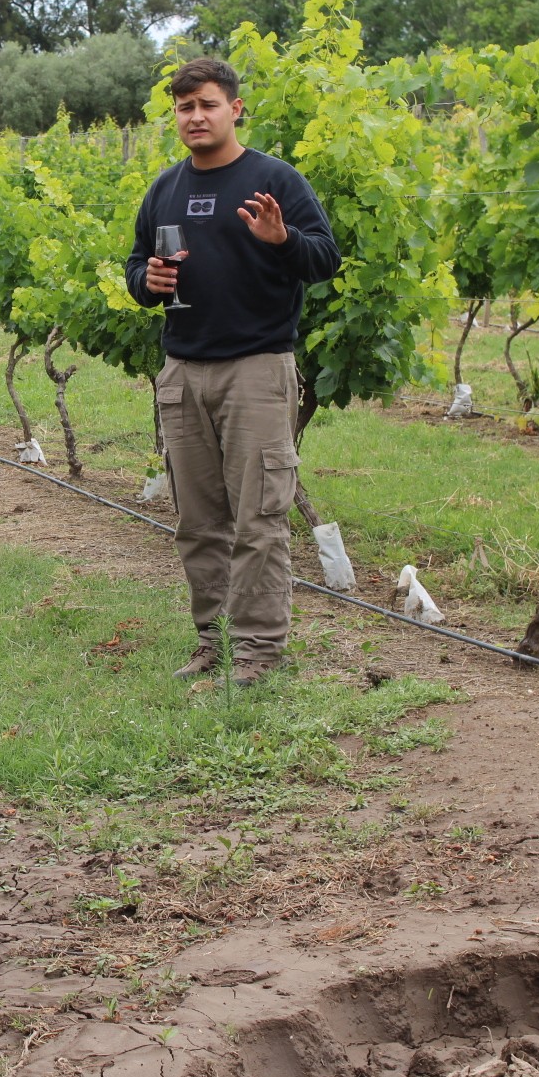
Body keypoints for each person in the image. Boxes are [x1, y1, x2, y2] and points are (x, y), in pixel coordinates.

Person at [124, 56, 341, 684]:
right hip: (183, 370)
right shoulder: (164, 187)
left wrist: (282, 242)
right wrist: (148, 281)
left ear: (235, 108)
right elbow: (138, 267)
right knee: (198, 524)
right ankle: (212, 643)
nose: (196, 116)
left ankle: (257, 651)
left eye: (208, 104)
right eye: (185, 107)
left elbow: (324, 257)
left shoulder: (275, 180)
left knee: (259, 520)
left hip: (255, 369)